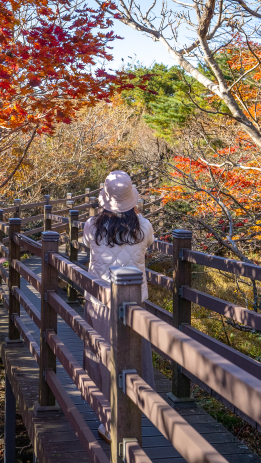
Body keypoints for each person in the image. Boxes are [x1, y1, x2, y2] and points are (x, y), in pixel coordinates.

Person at [82, 170, 155, 444]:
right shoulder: (143, 226)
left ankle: (108, 421)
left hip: (101, 301)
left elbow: (87, 245)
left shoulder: (92, 226)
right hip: (135, 302)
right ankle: (130, 417)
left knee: (103, 358)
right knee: (131, 360)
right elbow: (149, 245)